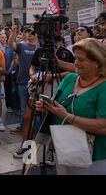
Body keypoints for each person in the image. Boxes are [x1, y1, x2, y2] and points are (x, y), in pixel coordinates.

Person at [36, 38, 106, 174]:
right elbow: (55, 102)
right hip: (64, 147)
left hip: (93, 156)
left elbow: (103, 127)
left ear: (97, 62)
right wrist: (47, 105)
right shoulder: (70, 78)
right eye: (75, 59)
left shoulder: (103, 87)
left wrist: (66, 116)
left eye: (81, 60)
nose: (76, 63)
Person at [8, 26, 39, 136]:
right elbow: (11, 44)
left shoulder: (40, 47)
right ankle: (22, 126)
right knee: (23, 106)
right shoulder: (22, 45)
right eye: (28, 32)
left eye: (32, 32)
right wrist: (13, 33)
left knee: (36, 107)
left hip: (36, 81)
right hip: (22, 80)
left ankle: (34, 128)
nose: (30, 34)